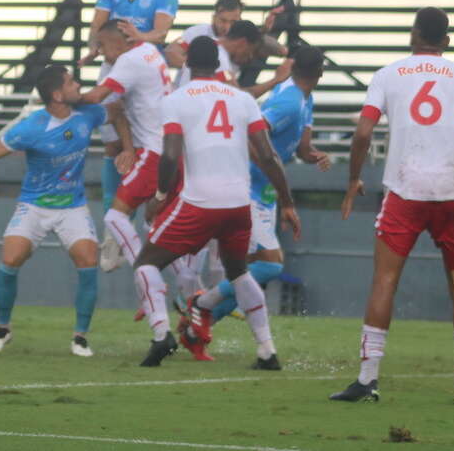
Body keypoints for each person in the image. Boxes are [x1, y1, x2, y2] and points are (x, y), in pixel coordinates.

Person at [331, 7, 454, 405]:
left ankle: (368, 380)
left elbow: (363, 132)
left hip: (404, 189)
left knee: (385, 281)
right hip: (452, 191)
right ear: (447, 42)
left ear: (413, 34)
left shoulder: (388, 75)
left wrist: (353, 180)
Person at [132, 36, 301, 369]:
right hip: (239, 205)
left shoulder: (177, 99)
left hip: (199, 202)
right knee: (239, 272)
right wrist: (288, 202)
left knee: (146, 263)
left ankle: (161, 334)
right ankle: (267, 350)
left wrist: (160, 197)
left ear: (189, 63)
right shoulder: (242, 100)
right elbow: (268, 156)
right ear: (220, 64)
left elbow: (169, 156)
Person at [0, 66, 132, 357]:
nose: (78, 84)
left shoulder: (88, 113)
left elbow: (117, 112)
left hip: (73, 207)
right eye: (71, 82)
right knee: (10, 259)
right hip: (34, 206)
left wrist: (127, 149)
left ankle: (80, 337)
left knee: (88, 261)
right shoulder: (31, 127)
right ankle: (2, 329)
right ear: (57, 94)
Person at [181, 44, 331, 362]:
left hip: (264, 192)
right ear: (320, 72)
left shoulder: (304, 98)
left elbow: (302, 148)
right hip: (246, 188)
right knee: (270, 264)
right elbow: (251, 135)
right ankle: (204, 305)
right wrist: (268, 171)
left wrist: (313, 154)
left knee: (244, 272)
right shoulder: (290, 101)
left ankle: (196, 330)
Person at [81, 0, 178, 260]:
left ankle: (120, 225)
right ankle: (117, 225)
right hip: (119, 61)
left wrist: (138, 38)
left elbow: (161, 34)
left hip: (137, 64)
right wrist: (95, 45)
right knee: (113, 139)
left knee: (125, 132)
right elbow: (98, 22)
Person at [80, 21, 164, 274]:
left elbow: (96, 97)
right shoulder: (149, 50)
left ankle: (143, 269)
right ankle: (181, 286)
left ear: (121, 40)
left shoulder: (129, 62)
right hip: (163, 148)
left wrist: (59, 96)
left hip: (153, 152)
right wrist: (128, 149)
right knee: (156, 223)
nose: (102, 52)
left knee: (115, 217)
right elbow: (119, 111)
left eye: (103, 45)